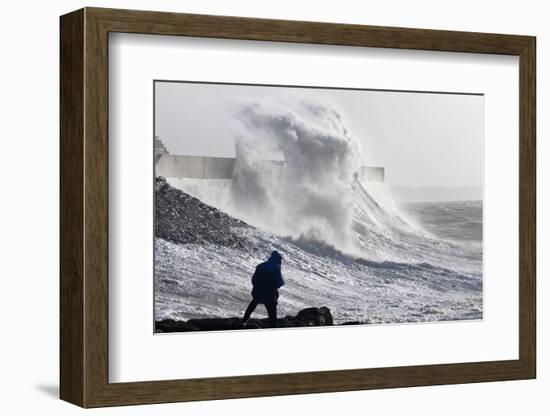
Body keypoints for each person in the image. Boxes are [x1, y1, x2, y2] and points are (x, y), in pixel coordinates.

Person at [242, 251, 285, 328]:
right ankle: (273, 326)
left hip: (257, 292)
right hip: (269, 295)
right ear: (278, 259)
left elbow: (253, 280)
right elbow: (280, 283)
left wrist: (258, 287)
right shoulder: (276, 267)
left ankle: (244, 320)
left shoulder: (260, 266)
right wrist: (273, 287)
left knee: (254, 302)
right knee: (272, 308)